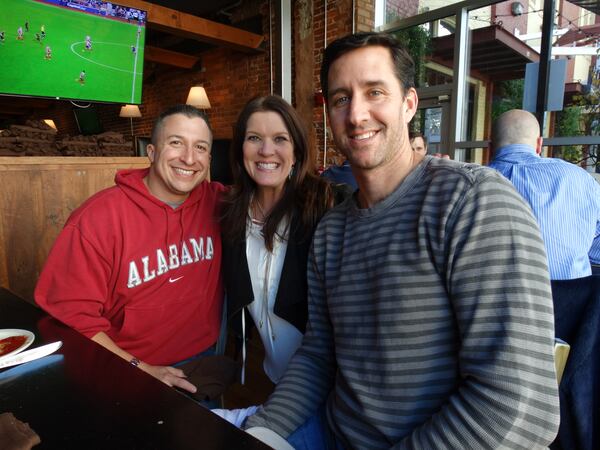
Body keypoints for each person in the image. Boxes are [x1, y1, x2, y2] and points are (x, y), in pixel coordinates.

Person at [244, 32, 560, 449]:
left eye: (375, 92)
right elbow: (319, 357)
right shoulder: (332, 231)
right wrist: (262, 430)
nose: (357, 114)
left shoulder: (472, 202)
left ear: (409, 103)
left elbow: (519, 408)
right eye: (341, 99)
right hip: (336, 432)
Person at [35, 105, 225, 394]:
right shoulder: (98, 218)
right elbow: (70, 314)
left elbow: (272, 202)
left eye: (200, 147)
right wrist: (138, 368)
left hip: (199, 363)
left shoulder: (219, 204)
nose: (189, 157)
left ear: (209, 158)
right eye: (176, 143)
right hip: (122, 366)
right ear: (150, 152)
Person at [216, 95, 346, 426]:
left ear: (297, 151)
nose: (266, 151)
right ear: (240, 149)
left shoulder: (326, 208)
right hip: (277, 377)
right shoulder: (231, 213)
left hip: (335, 384)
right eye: (254, 138)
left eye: (280, 139)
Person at [489, 109, 600, 280]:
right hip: (572, 301)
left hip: (500, 301)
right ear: (539, 144)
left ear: (490, 147)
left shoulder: (470, 183)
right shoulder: (579, 178)